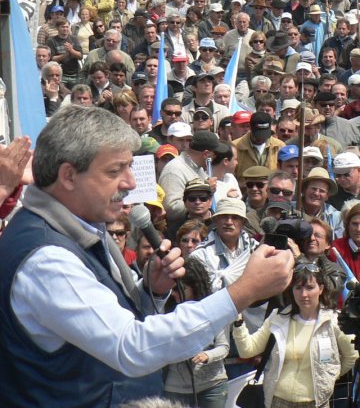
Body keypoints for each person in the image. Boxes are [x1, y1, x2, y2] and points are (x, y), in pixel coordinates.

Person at [0, 105, 293, 406]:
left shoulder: (79, 228)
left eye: (130, 167)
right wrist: (244, 291)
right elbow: (131, 347)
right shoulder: (47, 259)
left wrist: (151, 292)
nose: (130, 183)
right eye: (115, 171)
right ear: (69, 175)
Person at [232, 257, 358, 408]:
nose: (304, 294)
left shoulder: (334, 321)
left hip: (316, 403)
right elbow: (247, 350)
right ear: (292, 290)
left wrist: (329, 375)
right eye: (298, 288)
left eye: (310, 287)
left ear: (321, 289)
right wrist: (238, 322)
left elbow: (351, 355)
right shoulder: (278, 318)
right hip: (276, 401)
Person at [162, 261, 229, 408]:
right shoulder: (165, 312)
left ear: (195, 287)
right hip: (176, 389)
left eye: (181, 289)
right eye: (172, 290)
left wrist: (207, 356)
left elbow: (223, 347)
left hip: (212, 385)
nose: (175, 294)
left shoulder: (212, 310)